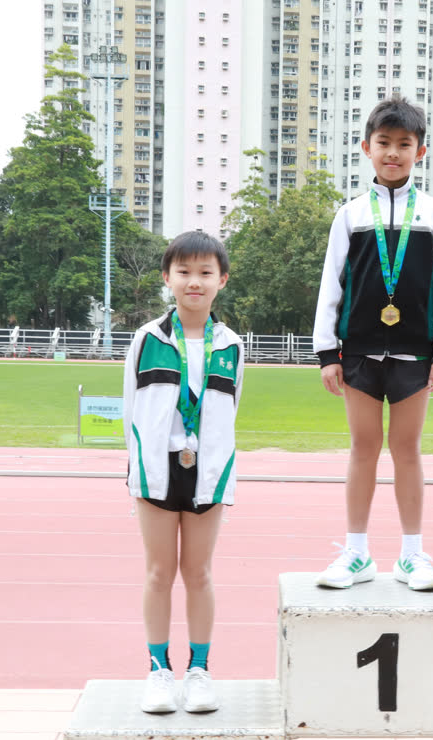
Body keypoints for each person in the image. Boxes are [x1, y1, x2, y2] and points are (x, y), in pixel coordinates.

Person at [312, 94, 433, 591]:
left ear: (421, 151)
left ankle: (412, 556)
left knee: (407, 449)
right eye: (384, 143)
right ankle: (356, 553)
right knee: (363, 448)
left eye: (404, 144)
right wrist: (326, 351)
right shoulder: (350, 215)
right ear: (366, 148)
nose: (393, 152)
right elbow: (331, 284)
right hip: (357, 350)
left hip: (415, 352)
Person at [122, 231, 245, 715]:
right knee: (159, 572)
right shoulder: (147, 339)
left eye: (205, 273)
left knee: (199, 573)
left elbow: (231, 412)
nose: (195, 281)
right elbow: (131, 408)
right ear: (167, 278)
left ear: (222, 280)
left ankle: (199, 671)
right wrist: (137, 470)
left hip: (207, 472)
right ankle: (158, 671)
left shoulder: (231, 345)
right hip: (156, 469)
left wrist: (218, 465)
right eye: (184, 272)